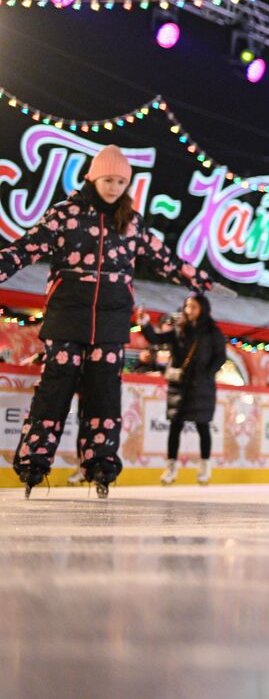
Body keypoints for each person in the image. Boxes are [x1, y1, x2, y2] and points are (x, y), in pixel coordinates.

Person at [0, 145, 211, 497]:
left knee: (104, 393)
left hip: (111, 322)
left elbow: (164, 259)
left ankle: (100, 464)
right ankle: (34, 461)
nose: (113, 187)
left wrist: (197, 279)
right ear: (93, 178)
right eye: (108, 179)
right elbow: (26, 248)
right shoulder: (65, 214)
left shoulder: (130, 223)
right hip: (68, 314)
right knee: (55, 388)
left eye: (120, 181)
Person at [139, 295, 226, 486]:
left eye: (193, 307)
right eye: (188, 306)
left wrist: (207, 373)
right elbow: (156, 338)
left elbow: (220, 357)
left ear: (203, 309)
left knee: (203, 425)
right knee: (175, 425)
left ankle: (204, 467)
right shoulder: (179, 329)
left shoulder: (212, 332)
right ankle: (171, 468)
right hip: (180, 385)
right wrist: (144, 323)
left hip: (202, 386)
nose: (189, 310)